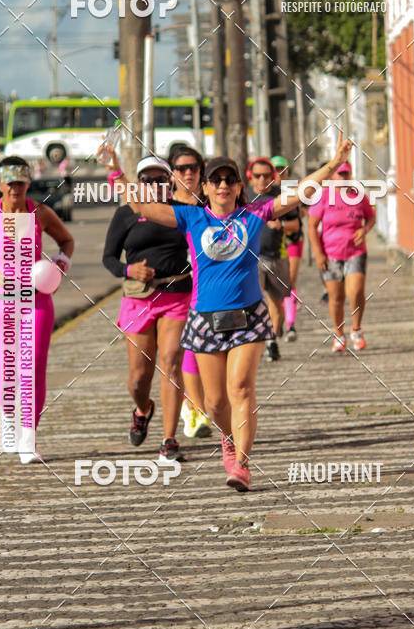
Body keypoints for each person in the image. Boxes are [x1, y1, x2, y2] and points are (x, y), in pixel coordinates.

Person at [120, 134, 353, 492]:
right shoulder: (191, 217)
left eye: (230, 179)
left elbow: (299, 193)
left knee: (241, 388)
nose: (224, 184)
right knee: (214, 402)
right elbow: (142, 208)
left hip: (248, 317)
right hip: (204, 320)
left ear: (239, 186)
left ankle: (242, 464)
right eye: (216, 179)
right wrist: (113, 172)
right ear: (207, 187)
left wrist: (334, 163)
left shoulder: (256, 214)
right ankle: (227, 438)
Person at [0, 155, 74, 462]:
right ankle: (9, 418)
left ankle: (28, 438)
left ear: (28, 182)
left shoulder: (41, 213)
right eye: (9, 183)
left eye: (20, 183)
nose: (14, 189)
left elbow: (66, 240)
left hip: (36, 301)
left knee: (33, 367)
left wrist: (59, 265)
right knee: (1, 374)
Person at [102, 155, 191, 461]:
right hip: (139, 297)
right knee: (139, 378)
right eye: (146, 180)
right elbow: (109, 259)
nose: (153, 185)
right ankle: (143, 408)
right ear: (139, 184)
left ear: (169, 182)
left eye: (159, 180)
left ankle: (169, 439)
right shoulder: (127, 213)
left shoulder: (184, 211)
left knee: (170, 363)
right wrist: (130, 271)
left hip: (177, 294)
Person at [167, 143, 212, 438]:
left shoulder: (210, 205)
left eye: (193, 168)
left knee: (206, 349)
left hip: (210, 289)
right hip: (175, 291)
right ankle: (194, 408)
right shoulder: (166, 207)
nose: (188, 174)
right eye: (181, 169)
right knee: (187, 349)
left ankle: (197, 405)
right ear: (172, 173)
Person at [309, 160, 375, 352]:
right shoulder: (323, 197)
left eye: (346, 174)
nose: (343, 178)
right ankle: (339, 333)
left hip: (356, 251)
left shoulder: (358, 196)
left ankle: (356, 329)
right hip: (331, 254)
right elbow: (312, 226)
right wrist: (318, 254)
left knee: (355, 291)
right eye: (339, 174)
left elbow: (371, 217)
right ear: (331, 177)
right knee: (336, 297)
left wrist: (364, 229)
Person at [247, 157, 299, 361]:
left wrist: (280, 227)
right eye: (257, 175)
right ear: (250, 177)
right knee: (256, 301)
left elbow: (295, 226)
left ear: (272, 177)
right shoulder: (243, 196)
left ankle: (272, 341)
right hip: (251, 258)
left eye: (266, 175)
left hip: (276, 255)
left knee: (276, 303)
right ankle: (255, 341)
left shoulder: (282, 197)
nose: (262, 179)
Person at [272, 156, 305, 341]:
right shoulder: (266, 193)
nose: (279, 173)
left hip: (292, 239)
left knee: (289, 281)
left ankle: (291, 325)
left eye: (282, 169)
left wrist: (298, 211)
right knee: (275, 286)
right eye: (276, 169)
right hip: (272, 243)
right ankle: (279, 320)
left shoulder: (293, 189)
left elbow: (305, 211)